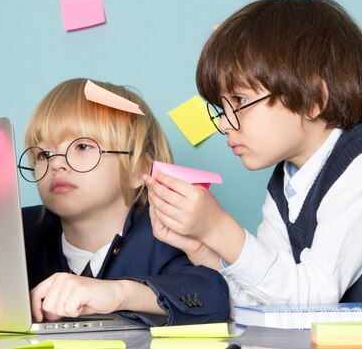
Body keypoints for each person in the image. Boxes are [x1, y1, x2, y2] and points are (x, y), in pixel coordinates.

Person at [144, 0, 362, 310]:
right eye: (222, 107)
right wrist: (201, 247)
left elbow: (313, 297)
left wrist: (219, 229)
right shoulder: (286, 184)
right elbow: (270, 300)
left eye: (240, 102)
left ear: (311, 99)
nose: (227, 124)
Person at [19, 78, 230, 326]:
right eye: (44, 154)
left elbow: (214, 295)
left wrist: (119, 293)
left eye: (83, 146)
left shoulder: (163, 232)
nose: (56, 163)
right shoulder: (17, 231)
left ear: (137, 169)